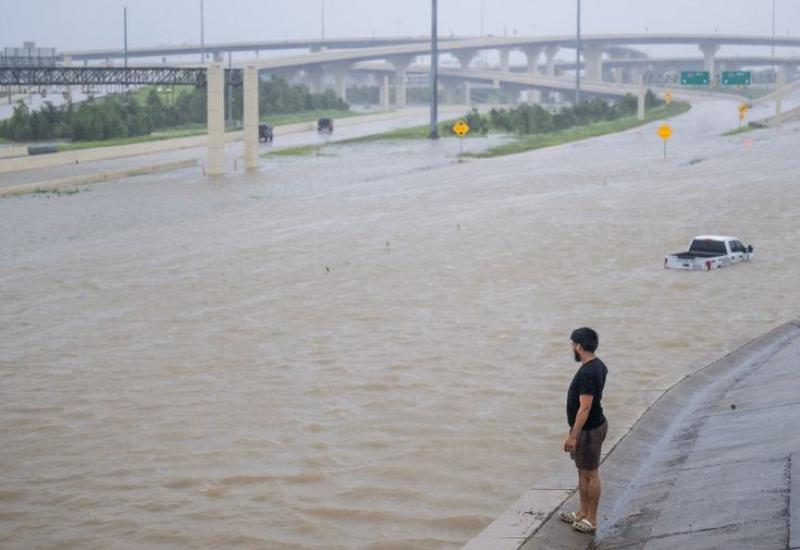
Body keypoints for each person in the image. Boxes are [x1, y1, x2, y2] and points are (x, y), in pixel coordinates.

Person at [559, 327, 608, 535]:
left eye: (572, 344)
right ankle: (581, 512)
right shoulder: (598, 365)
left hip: (589, 430)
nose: (572, 348)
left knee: (591, 473)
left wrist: (573, 435)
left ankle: (592, 519)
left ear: (579, 346)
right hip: (589, 428)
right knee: (582, 471)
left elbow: (585, 407)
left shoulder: (588, 372)